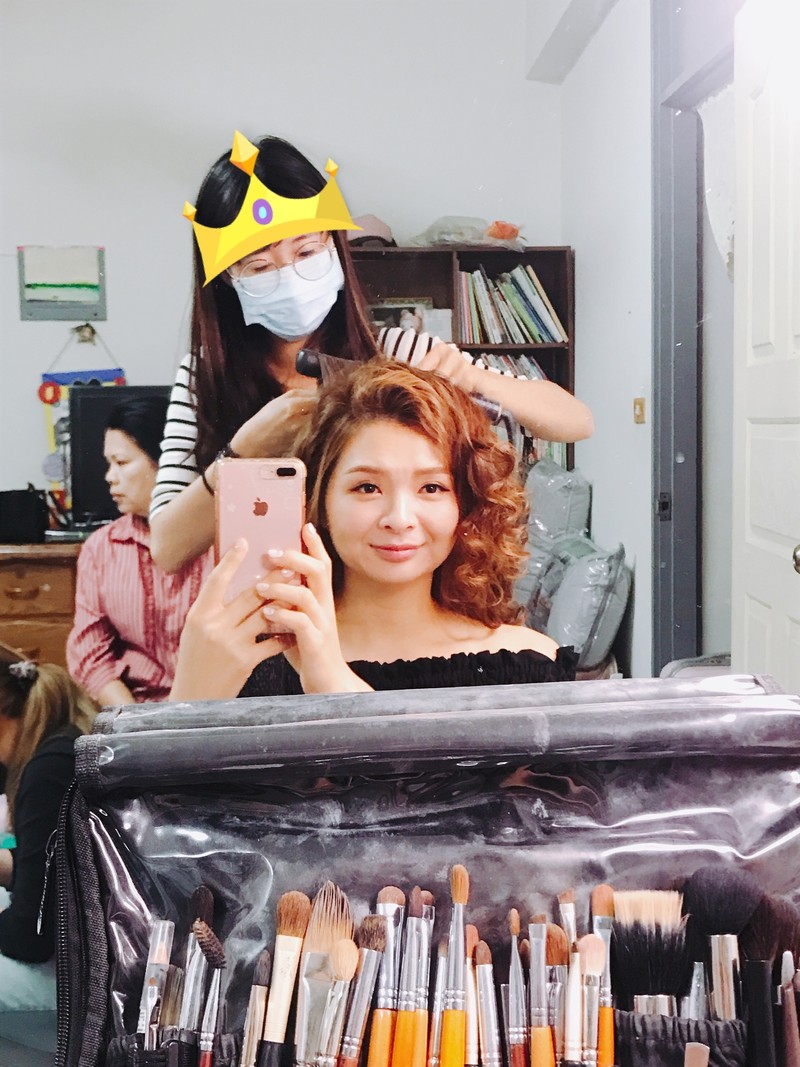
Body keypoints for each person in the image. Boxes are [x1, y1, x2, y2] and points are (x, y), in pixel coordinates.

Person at [149, 132, 594, 574]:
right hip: (263, 602)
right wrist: (244, 451)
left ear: (335, 248)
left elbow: (575, 420)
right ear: (227, 280)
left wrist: (471, 375)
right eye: (260, 267)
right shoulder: (204, 376)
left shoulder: (397, 352)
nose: (290, 278)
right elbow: (167, 548)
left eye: (307, 252)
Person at [170, 361, 578, 701]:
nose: (399, 518)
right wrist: (190, 693)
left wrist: (335, 687)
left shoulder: (525, 665)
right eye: (367, 487)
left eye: (431, 488)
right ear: (320, 501)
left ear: (465, 505)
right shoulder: (245, 664)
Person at [67, 396, 213, 705]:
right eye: (109, 464)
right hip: (134, 715)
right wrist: (137, 723)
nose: (110, 476)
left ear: (167, 463)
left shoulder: (222, 538)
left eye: (121, 463)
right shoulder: (101, 548)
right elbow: (90, 655)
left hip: (216, 709)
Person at [0, 640, 97, 1045]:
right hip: (85, 941)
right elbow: (61, 868)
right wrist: (8, 863)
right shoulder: (62, 740)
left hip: (87, 979)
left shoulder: (47, 771)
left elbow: (32, 936)